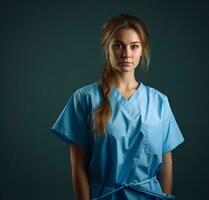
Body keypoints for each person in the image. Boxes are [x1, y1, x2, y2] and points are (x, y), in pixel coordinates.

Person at [50, 13, 184, 200]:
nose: (126, 54)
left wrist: (165, 196)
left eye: (134, 46)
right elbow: (78, 165)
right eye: (118, 45)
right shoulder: (85, 98)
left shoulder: (159, 101)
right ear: (107, 49)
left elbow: (166, 163)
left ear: (142, 50)